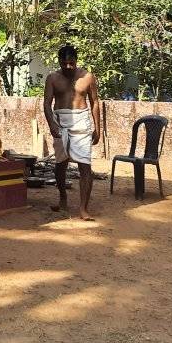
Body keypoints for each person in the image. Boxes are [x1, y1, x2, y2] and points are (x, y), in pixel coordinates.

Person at [42, 44, 101, 220]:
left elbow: (95, 102)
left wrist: (98, 128)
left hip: (82, 122)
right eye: (65, 63)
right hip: (60, 121)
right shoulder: (52, 78)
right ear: (59, 61)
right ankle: (62, 197)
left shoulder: (87, 77)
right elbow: (46, 104)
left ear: (76, 61)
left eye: (71, 63)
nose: (68, 66)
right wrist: (52, 124)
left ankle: (83, 208)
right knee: (60, 164)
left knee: (85, 166)